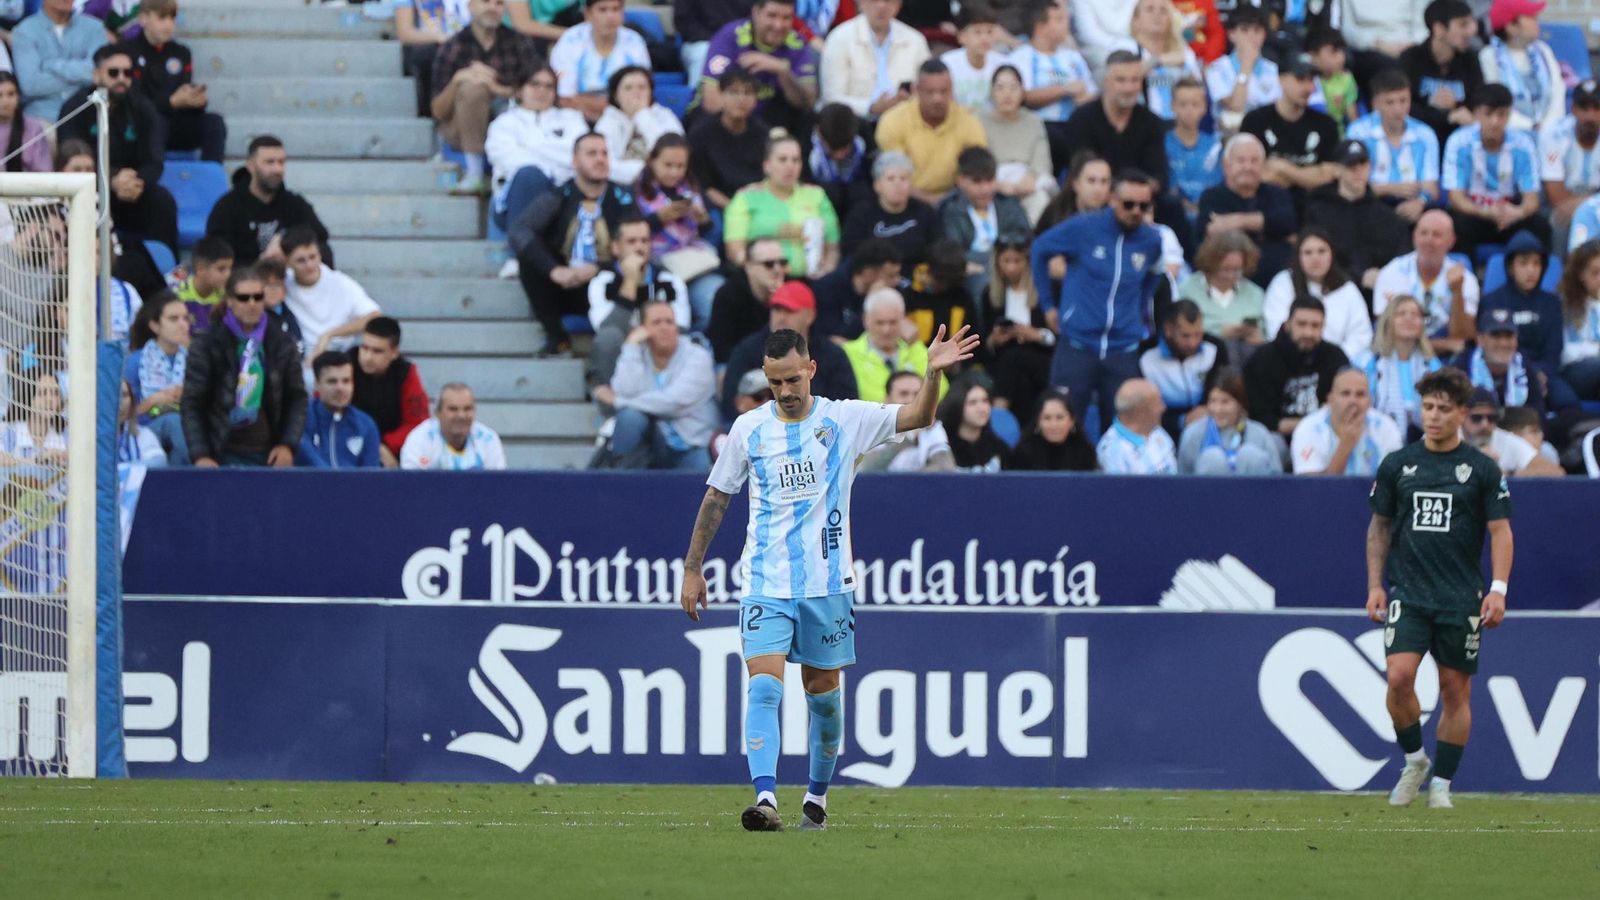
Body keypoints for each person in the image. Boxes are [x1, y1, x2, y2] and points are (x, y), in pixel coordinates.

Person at [679, 323, 979, 832]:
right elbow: (717, 497)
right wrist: (692, 566)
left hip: (827, 586)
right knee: (764, 690)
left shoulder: (846, 419)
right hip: (765, 582)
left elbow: (921, 416)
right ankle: (766, 799)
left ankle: (816, 799)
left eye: (793, 379)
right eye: (775, 383)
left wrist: (931, 373)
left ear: (811, 369)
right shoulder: (749, 430)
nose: (787, 391)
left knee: (823, 698)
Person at [1366, 366, 1513, 811]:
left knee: (1455, 691)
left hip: (1459, 597)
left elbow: (1501, 532)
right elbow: (1380, 527)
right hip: (1409, 593)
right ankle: (1414, 761)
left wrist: (1498, 588)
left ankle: (1442, 785)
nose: (1433, 416)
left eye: (1443, 409)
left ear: (1462, 414)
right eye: (1428, 407)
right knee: (1398, 677)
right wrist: (1375, 585)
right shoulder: (1398, 463)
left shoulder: (1482, 469)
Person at [1031, 169, 1164, 420]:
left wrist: (1139, 308)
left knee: (1121, 426)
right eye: (1128, 204)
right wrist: (1048, 304)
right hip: (1077, 344)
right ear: (1113, 199)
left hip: (1122, 348)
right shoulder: (1085, 227)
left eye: (1144, 206)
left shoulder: (1152, 240)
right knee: (1064, 421)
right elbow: (1039, 249)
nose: (1136, 211)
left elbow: (1156, 272)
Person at [509, 132, 638, 357]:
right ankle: (557, 339)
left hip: (608, 282)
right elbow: (520, 231)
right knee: (528, 259)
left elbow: (639, 245)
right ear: (574, 161)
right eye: (591, 153)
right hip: (566, 284)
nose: (600, 159)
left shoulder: (623, 197)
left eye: (604, 153)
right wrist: (555, 270)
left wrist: (600, 268)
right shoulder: (560, 195)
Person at [180, 269, 308, 469]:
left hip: (269, 454)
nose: (252, 304)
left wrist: (287, 445)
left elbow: (297, 398)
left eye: (258, 297)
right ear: (230, 300)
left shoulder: (282, 342)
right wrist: (201, 455)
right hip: (221, 452)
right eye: (243, 298)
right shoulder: (207, 344)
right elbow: (192, 403)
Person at [57, 45, 179, 252]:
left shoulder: (142, 107)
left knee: (162, 201)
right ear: (97, 75)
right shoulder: (75, 108)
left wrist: (135, 181)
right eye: (113, 73)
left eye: (127, 73)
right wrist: (111, 179)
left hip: (132, 189)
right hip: (92, 187)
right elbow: (70, 159)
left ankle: (165, 270)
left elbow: (155, 159)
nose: (121, 78)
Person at [430, 0, 542, 195]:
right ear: (470, 6)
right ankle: (475, 172)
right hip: (461, 130)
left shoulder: (518, 41)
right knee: (473, 88)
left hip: (511, 121)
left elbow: (541, 89)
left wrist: (497, 89)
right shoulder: (453, 46)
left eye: (499, 3)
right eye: (485, 2)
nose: (492, 8)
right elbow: (438, 111)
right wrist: (457, 80)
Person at [600, 299, 718, 470]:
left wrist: (618, 401)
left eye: (669, 321)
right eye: (656, 322)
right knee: (630, 417)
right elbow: (624, 389)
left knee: (699, 485)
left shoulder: (698, 356)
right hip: (652, 442)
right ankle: (622, 479)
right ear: (642, 329)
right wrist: (631, 345)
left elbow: (674, 401)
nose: (665, 327)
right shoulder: (637, 354)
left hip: (691, 444)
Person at [720, 280, 857, 420]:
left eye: (789, 311)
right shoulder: (746, 352)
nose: (781, 318)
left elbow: (845, 409)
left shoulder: (833, 356)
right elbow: (730, 407)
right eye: (776, 309)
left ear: (810, 316)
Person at [1442, 84, 1549, 258]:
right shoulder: (1459, 142)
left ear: (1509, 115)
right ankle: (1466, 279)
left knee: (1540, 225)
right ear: (1476, 114)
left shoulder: (1523, 144)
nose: (1495, 122)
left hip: (1509, 213)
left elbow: (1531, 199)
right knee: (1456, 223)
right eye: (1488, 114)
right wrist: (1484, 211)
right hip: (1474, 212)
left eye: (1501, 115)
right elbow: (1456, 197)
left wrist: (1518, 213)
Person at [586, 216, 691, 392]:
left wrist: (643, 333)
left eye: (645, 241)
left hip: (661, 353)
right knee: (608, 338)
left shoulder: (670, 281)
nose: (639, 247)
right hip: (622, 355)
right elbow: (606, 329)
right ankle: (608, 410)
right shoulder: (603, 282)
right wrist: (630, 282)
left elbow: (680, 327)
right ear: (616, 247)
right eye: (631, 241)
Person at [484, 66, 589, 240]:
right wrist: (554, 161)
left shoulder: (572, 119)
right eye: (535, 84)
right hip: (515, 198)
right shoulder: (504, 123)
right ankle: (519, 258)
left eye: (549, 87)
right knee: (529, 176)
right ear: (519, 90)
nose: (542, 91)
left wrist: (530, 147)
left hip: (564, 194)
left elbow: (582, 157)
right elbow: (509, 161)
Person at [690, 0, 819, 138]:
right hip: (725, 121)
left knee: (807, 118)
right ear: (755, 12)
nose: (778, 25)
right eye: (772, 15)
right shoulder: (729, 37)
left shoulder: (797, 43)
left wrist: (782, 71)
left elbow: (808, 102)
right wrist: (757, 133)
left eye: (786, 18)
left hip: (768, 119)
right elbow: (711, 102)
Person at [1057, 51, 1171, 208]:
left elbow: (1158, 177)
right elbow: (1082, 172)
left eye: (1135, 80)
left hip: (1139, 204)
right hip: (1094, 202)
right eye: (1121, 80)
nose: (1129, 88)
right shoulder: (1081, 119)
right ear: (1106, 82)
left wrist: (1132, 194)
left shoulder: (1151, 122)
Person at [633, 133, 722, 330]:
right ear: (652, 160)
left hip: (692, 266)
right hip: (651, 267)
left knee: (715, 302)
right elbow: (627, 235)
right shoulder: (634, 191)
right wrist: (657, 219)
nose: (674, 172)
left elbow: (712, 233)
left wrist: (703, 220)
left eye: (680, 166)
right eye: (668, 165)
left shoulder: (692, 189)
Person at [723, 132, 840, 279]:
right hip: (761, 282)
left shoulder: (817, 195)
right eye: (782, 160)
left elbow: (833, 248)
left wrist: (827, 271)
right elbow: (734, 251)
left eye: (795, 160)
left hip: (812, 280)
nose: (790, 166)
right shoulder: (745, 197)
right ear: (767, 166)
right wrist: (761, 271)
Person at [874, 59, 989, 205]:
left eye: (943, 91)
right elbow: (894, 178)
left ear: (952, 90)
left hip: (957, 201)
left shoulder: (969, 122)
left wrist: (948, 203)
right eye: (930, 92)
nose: (937, 98)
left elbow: (976, 172)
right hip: (906, 201)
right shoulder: (892, 121)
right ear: (916, 90)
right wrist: (932, 202)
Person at [123, 0, 225, 162]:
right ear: (143, 19)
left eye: (172, 18)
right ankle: (153, 177)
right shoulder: (126, 52)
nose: (169, 25)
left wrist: (196, 101)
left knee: (214, 123)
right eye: (162, 18)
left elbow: (183, 91)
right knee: (157, 122)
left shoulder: (181, 53)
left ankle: (211, 177)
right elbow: (133, 101)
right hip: (140, 126)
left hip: (176, 123)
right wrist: (171, 102)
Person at [204, 136, 330, 267]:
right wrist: (263, 262)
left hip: (289, 278)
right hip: (245, 281)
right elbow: (217, 255)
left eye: (281, 162)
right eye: (270, 162)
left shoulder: (294, 203)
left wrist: (285, 243)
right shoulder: (227, 207)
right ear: (251, 166)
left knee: (324, 251)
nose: (277, 169)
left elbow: (320, 235)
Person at [1373, 209, 1480, 354]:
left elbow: (1463, 338)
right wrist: (1444, 345)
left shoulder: (1465, 279)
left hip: (1449, 363)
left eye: (1437, 235)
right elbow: (1386, 335)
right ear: (1414, 237)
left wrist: (1457, 292)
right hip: (1400, 356)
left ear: (1451, 241)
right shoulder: (1392, 273)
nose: (1429, 240)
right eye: (1423, 233)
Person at [1244, 296, 1350, 439]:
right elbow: (1260, 418)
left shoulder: (1335, 357)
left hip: (1325, 435)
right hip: (1278, 436)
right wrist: (1307, 424)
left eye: (1315, 325)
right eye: (1301, 324)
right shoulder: (1263, 359)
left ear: (1323, 327)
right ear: (1288, 324)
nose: (1308, 333)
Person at [1196, 134, 1295, 287]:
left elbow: (1286, 222)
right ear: (1226, 165)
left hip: (1278, 278)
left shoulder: (1277, 193)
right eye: (1241, 161)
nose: (1248, 167)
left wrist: (1237, 221)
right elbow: (1211, 231)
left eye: (1254, 161)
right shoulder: (1212, 197)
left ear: (1263, 166)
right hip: (1231, 279)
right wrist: (1266, 227)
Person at [1343, 70, 1440, 227]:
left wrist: (1420, 202)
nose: (1398, 109)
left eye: (1403, 101)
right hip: (1372, 202)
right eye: (1390, 102)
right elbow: (1350, 184)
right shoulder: (1358, 132)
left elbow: (1431, 186)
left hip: (1414, 203)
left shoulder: (1425, 134)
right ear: (1375, 104)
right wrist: (1391, 189)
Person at [1008, 1, 1095, 172]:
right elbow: (1022, 97)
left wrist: (1084, 99)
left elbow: (1090, 92)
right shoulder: (1021, 58)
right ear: (1040, 27)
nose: (1067, 24)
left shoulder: (1073, 57)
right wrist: (1064, 90)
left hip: (1075, 125)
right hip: (1039, 127)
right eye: (1059, 19)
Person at [1263, 228, 1376, 361]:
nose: (1315, 258)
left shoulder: (1347, 288)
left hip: (1339, 363)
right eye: (1308, 253)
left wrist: (1335, 359)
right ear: (1298, 256)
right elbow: (1275, 328)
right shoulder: (1283, 283)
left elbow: (1361, 335)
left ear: (1331, 254)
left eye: (1321, 251)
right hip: (1291, 361)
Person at [281, 227, 381, 366]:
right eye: (301, 260)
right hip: (300, 356)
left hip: (338, 353)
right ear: (287, 262)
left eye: (313, 257)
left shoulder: (340, 282)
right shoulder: (282, 284)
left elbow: (375, 317)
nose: (309, 265)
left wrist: (330, 335)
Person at [1241, 55, 1339, 195]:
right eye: (1300, 79)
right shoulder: (1255, 121)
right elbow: (1255, 175)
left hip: (1313, 206)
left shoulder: (1326, 124)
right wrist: (1308, 176)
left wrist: (1282, 169)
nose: (1308, 88)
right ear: (1281, 79)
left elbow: (1328, 176)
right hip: (1267, 202)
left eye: (1311, 80)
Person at [982, 234, 1055, 418]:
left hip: (1042, 358)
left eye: (1017, 261)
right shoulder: (990, 295)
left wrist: (1037, 335)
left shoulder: (1046, 289)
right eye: (1006, 261)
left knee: (1014, 357)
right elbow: (985, 341)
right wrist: (995, 340)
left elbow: (1060, 336)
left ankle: (998, 415)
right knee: (1019, 379)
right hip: (1007, 363)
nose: (1011, 267)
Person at [819, 0, 930, 120]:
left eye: (888, 1)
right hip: (854, 124)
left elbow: (929, 89)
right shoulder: (839, 38)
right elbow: (832, 98)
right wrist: (871, 106)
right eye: (874, 0)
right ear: (860, 3)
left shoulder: (915, 40)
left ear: (899, 4)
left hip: (905, 122)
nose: (881, 6)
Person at [940, 146, 1029, 295]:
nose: (985, 189)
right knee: (982, 281)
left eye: (989, 181)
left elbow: (1025, 238)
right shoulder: (950, 209)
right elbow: (952, 252)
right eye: (977, 182)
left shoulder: (1008, 204)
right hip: (971, 271)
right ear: (961, 181)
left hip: (1009, 264)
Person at [1451, 308, 1568, 420]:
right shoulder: (1462, 368)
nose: (1503, 343)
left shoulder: (1524, 365)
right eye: (1496, 336)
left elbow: (1538, 417)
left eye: (1508, 336)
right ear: (1480, 340)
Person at [977, 65, 1057, 225]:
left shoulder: (1033, 121)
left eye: (1013, 87)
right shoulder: (979, 121)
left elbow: (1042, 159)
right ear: (992, 92)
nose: (1007, 94)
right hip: (994, 181)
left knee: (1042, 197)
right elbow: (979, 159)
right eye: (1000, 88)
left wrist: (1031, 177)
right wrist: (997, 184)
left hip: (1028, 179)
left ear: (1022, 92)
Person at [1399, 0, 1483, 150]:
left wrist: (1456, 106)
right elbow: (1402, 107)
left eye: (1471, 24)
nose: (1471, 31)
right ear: (1439, 29)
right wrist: (1446, 117)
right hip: (1416, 142)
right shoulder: (1411, 58)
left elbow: (1477, 104)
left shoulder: (1471, 60)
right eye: (1463, 25)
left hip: (1460, 143)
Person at [548, 0, 650, 122]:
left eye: (616, 9)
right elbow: (565, 98)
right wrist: (613, 105)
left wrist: (590, 103)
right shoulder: (570, 41)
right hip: (575, 116)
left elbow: (642, 95)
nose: (610, 16)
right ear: (587, 14)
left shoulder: (635, 42)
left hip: (627, 117)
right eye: (603, 10)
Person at [1291, 368, 1405, 476]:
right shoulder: (1309, 428)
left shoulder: (1385, 427)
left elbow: (1394, 482)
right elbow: (1311, 489)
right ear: (1330, 399)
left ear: (1370, 401)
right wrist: (1345, 446)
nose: (1353, 401)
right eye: (1345, 393)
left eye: (1360, 394)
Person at [1139, 298, 1227, 438]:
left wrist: (1207, 410)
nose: (1193, 343)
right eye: (1185, 336)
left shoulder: (1215, 348)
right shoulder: (1145, 356)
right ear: (1168, 329)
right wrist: (1181, 421)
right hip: (1161, 428)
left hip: (1208, 421)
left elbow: (1225, 392)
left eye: (1198, 334)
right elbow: (1142, 410)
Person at [350, 316, 430, 467]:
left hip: (393, 451)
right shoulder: (345, 365)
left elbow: (417, 424)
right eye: (364, 348)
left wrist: (385, 445)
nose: (368, 357)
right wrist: (374, 446)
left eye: (377, 351)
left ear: (394, 353)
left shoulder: (406, 374)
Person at [1360, 294, 1444, 437]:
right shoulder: (1370, 362)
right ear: (1388, 321)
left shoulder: (1432, 364)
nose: (1409, 318)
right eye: (1401, 313)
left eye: (1415, 314)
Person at [1477, 229, 1563, 367]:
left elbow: (1554, 350)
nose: (1531, 270)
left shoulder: (1552, 302)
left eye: (1536, 263)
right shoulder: (1492, 301)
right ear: (1511, 267)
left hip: (1545, 376)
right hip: (1505, 372)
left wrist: (1543, 374)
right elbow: (1488, 347)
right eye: (1523, 263)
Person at [11, 0, 107, 121]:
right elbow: (31, 85)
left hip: (87, 115)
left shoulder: (95, 28)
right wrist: (81, 76)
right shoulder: (24, 31)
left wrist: (51, 65)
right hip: (42, 118)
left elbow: (101, 73)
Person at [839, 151, 938, 268]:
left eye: (903, 178)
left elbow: (936, 250)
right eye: (890, 179)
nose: (898, 184)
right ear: (877, 185)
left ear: (911, 184)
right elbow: (851, 255)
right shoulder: (860, 215)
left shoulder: (925, 212)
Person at [689, 67, 769, 210]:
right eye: (733, 92)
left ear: (756, 100)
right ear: (721, 95)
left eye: (748, 93)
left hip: (759, 203)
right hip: (719, 205)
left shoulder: (763, 133)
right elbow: (703, 186)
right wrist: (735, 209)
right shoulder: (700, 134)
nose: (741, 99)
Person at [124, 293, 191, 464]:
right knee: (175, 423)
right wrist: (154, 400)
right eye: (174, 319)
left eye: (185, 318)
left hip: (189, 425)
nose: (183, 325)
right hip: (144, 426)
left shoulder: (195, 359)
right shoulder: (135, 362)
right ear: (155, 326)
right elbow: (121, 413)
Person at [841, 287, 940, 402]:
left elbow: (941, 391)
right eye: (880, 322)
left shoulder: (917, 350)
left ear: (903, 321)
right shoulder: (846, 354)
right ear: (865, 320)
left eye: (893, 322)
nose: (886, 330)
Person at [1478, 0, 1562, 136]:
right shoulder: (1490, 55)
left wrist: (1548, 124)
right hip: (1511, 133)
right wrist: (1530, 126)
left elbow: (1558, 91)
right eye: (1531, 18)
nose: (1537, 21)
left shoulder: (1543, 50)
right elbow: (1495, 99)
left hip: (1549, 132)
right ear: (1511, 26)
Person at [1177, 368, 1284, 474]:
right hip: (1206, 491)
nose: (1217, 409)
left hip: (1253, 491)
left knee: (1249, 455)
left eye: (1225, 402)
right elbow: (1183, 478)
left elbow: (1276, 478)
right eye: (1213, 401)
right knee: (1212, 459)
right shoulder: (1193, 434)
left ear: (1240, 403)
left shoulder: (1260, 434)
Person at [1177, 230, 1265, 358]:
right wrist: (1219, 333)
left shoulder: (1255, 293)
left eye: (1237, 270)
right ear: (1210, 264)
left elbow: (1266, 332)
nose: (1231, 276)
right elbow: (1182, 331)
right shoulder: (1186, 290)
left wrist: (1257, 337)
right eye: (1225, 269)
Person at [1112, 0, 1202, 121]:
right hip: (1140, 124)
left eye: (1163, 10)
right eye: (1150, 9)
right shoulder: (1125, 47)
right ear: (1136, 20)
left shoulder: (1184, 51)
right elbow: (1121, 81)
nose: (1157, 14)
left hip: (1178, 126)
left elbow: (1197, 88)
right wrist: (1158, 60)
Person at [592, 67, 684, 186]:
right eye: (628, 88)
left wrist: (642, 115)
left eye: (642, 87)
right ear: (615, 95)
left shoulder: (664, 115)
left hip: (665, 184)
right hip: (620, 185)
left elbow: (673, 153)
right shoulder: (608, 120)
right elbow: (605, 164)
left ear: (651, 92)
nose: (636, 93)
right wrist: (650, 172)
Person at [707, 236, 789, 363]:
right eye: (769, 264)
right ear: (748, 266)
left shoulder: (793, 291)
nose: (778, 270)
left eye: (782, 263)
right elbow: (722, 350)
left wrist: (781, 299)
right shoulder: (728, 296)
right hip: (741, 364)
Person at [296, 351, 382, 469]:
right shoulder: (301, 419)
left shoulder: (366, 425)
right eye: (332, 381)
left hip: (355, 487)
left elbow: (371, 475)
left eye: (346, 381)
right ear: (316, 384)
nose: (340, 388)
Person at [856, 369, 956, 471]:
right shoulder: (874, 425)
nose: (911, 400)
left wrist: (909, 483)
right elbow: (865, 469)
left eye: (917, 394)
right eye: (904, 394)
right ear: (887, 399)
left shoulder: (930, 425)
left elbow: (945, 467)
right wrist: (908, 438)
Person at [1539, 80, 1600, 241]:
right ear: (1573, 110)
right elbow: (1557, 197)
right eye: (1584, 108)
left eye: (1596, 109)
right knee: (1561, 219)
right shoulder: (1554, 134)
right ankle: (1564, 267)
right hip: (1561, 205)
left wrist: (1586, 205)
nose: (1590, 116)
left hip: (1593, 203)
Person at [1202, 5, 1277, 131]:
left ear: (1264, 34)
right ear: (1231, 34)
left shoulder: (1273, 69)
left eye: (1257, 30)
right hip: (1229, 135)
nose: (1252, 36)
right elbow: (1236, 106)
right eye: (1245, 30)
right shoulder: (1217, 69)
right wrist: (1246, 65)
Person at [400, 383, 508, 470]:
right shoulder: (419, 439)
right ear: (437, 413)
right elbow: (412, 486)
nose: (461, 416)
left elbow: (497, 487)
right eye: (453, 409)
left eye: (467, 409)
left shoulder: (488, 439)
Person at [394, 0, 473, 118]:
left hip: (468, 44)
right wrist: (440, 37)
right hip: (431, 46)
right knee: (429, 55)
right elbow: (405, 34)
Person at [811, 237, 902, 339]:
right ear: (868, 273)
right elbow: (835, 339)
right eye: (891, 276)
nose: (897, 281)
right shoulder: (826, 290)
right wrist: (870, 303)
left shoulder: (891, 289)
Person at [1460, 387, 1563, 476]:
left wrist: (1508, 474)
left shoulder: (1503, 439)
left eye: (1491, 418)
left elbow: (1556, 472)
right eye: (1476, 418)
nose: (1485, 424)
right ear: (1462, 416)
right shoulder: (1451, 436)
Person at [1165, 77, 1222, 223]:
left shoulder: (1216, 147)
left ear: (1204, 107)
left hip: (1208, 218)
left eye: (1195, 104)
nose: (1189, 110)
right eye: (1183, 104)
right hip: (1173, 218)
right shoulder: (1162, 143)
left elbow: (1218, 189)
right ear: (1172, 106)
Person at [1096, 377, 1177, 474]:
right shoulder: (1112, 451)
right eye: (1158, 403)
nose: (1163, 408)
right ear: (1141, 411)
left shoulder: (1159, 433)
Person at [805, 103, 871, 219]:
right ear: (819, 134)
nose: (839, 156)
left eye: (845, 149)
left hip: (859, 201)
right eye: (833, 149)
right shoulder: (804, 138)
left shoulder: (864, 131)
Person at [1007, 388, 1097, 470]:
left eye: (1060, 417)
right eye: (1047, 418)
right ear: (1038, 422)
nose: (1053, 425)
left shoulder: (1086, 453)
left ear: (1072, 421)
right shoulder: (1022, 454)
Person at [1556, 239, 1600, 400]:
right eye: (1595, 273)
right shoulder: (1566, 305)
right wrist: (1595, 350)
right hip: (1575, 372)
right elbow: (1563, 352)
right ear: (1581, 274)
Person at [941, 1, 1003, 113]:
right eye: (977, 32)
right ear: (961, 37)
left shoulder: (1002, 64)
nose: (985, 38)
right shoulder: (947, 64)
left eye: (990, 32)